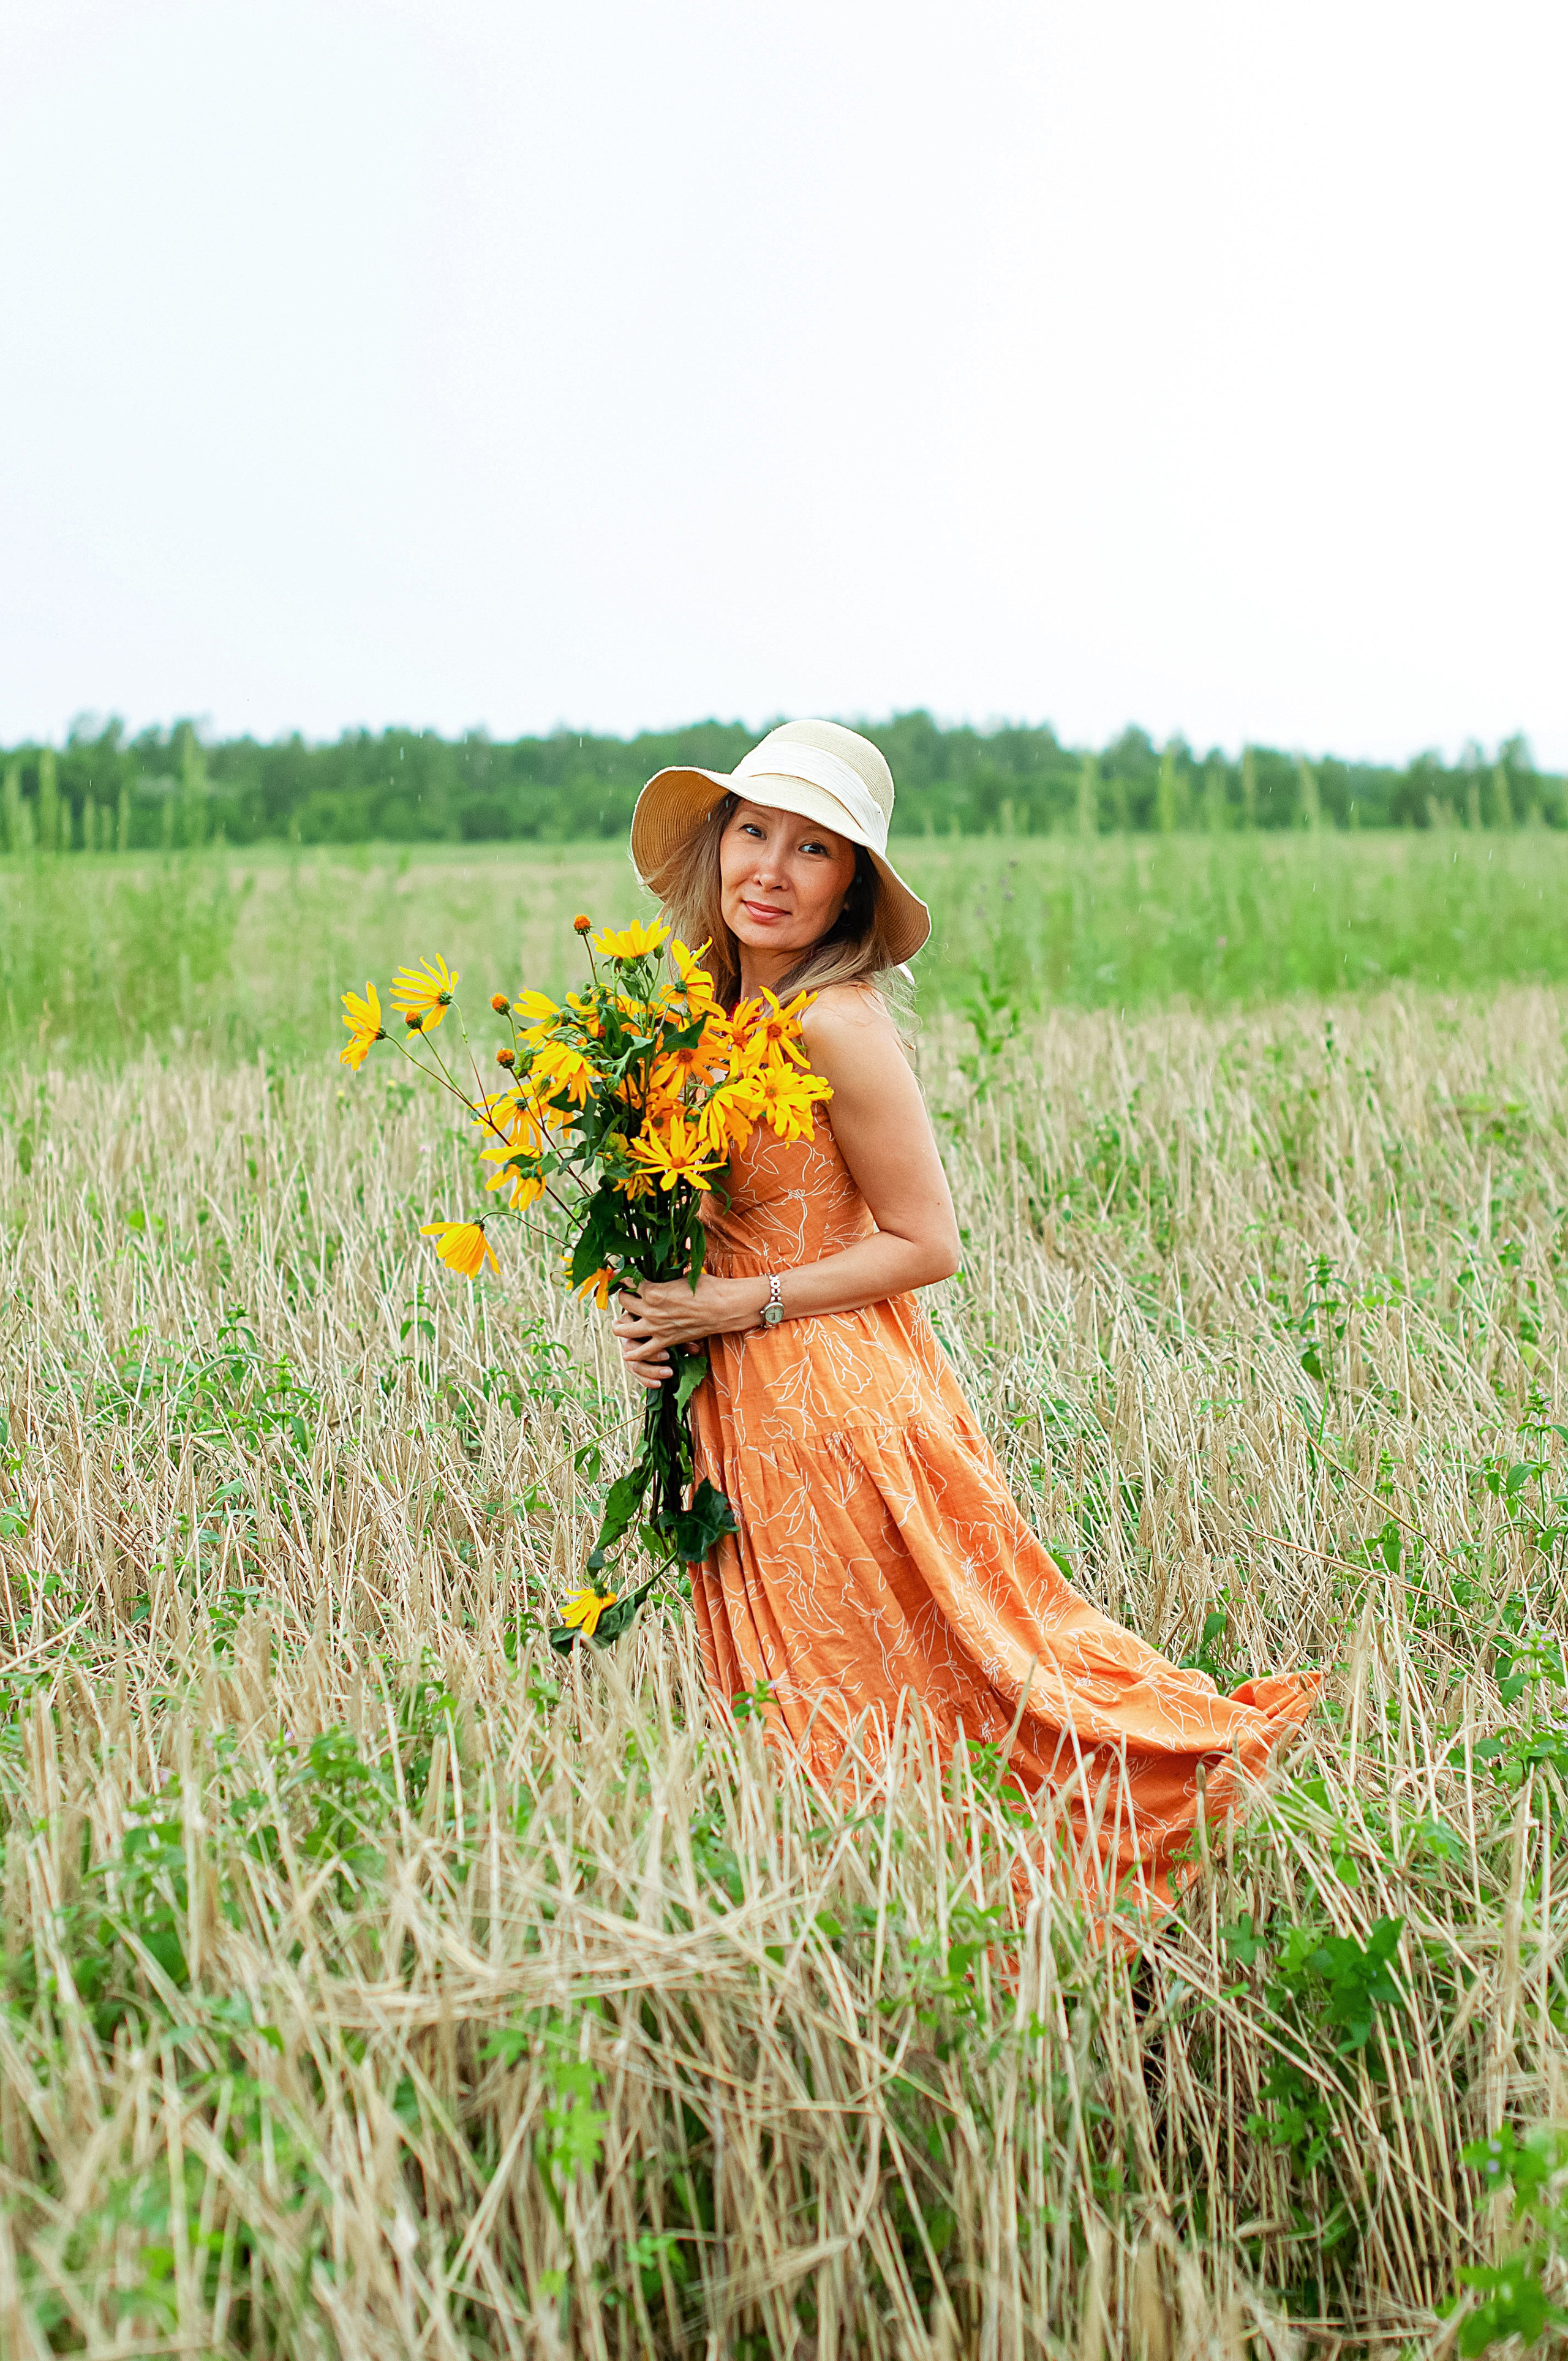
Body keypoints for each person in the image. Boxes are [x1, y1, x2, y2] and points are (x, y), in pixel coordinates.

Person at [610, 719, 1314, 1915]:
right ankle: (875, 1934)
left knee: (937, 1692)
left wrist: (739, 1300)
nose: (769, 871)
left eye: (813, 850)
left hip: (838, 1409)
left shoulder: (835, 1023)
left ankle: (1140, 1827)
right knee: (813, 1713)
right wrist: (652, 1317)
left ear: (850, 891)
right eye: (752, 831)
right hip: (735, 1416)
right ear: (715, 846)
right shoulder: (692, 1017)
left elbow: (925, 1242)